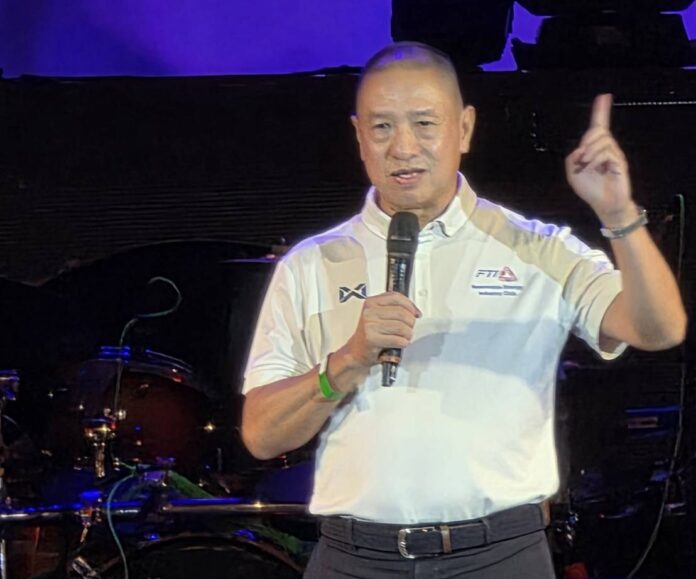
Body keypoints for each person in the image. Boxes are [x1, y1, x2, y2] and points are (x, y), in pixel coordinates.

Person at [240, 42, 687, 578]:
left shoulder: (536, 248)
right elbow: (262, 436)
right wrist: (346, 363)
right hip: (354, 558)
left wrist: (618, 215)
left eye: (424, 123)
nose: (403, 147)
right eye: (382, 127)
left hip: (499, 556)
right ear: (359, 136)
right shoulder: (312, 263)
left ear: (465, 129)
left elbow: (660, 328)